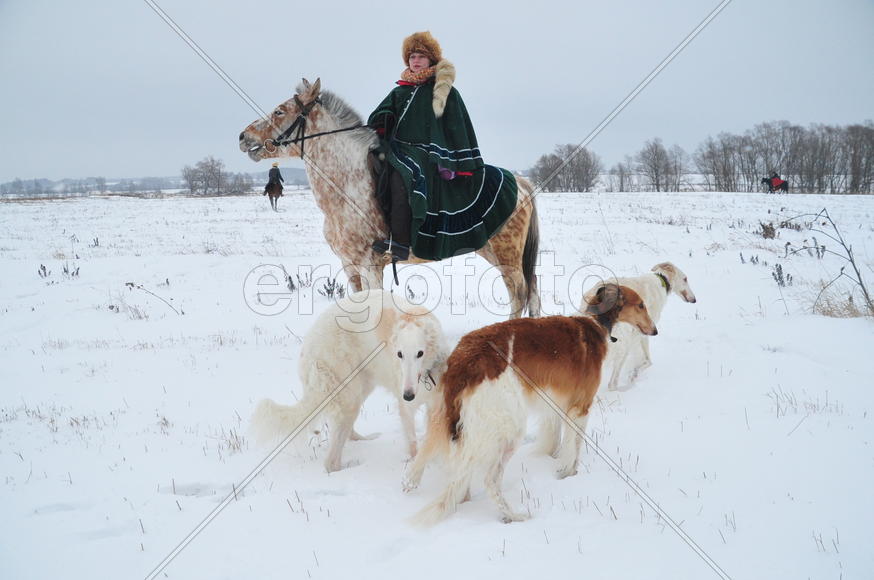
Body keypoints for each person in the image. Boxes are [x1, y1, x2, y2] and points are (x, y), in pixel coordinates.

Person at [368, 31, 517, 263]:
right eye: (412, 57)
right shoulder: (399, 91)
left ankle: (400, 243)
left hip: (426, 154)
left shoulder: (444, 90)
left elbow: (458, 127)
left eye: (421, 56)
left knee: (401, 178)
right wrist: (383, 119)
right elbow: (380, 115)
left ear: (431, 59)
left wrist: (455, 161)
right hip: (396, 149)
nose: (416, 61)